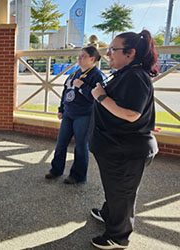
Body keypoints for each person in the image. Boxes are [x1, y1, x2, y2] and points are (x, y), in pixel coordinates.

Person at [89, 30, 159, 249]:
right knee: (114, 188)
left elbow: (131, 114)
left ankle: (118, 236)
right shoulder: (126, 73)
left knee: (122, 193)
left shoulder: (136, 77)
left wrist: (101, 97)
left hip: (127, 150)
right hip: (114, 147)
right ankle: (110, 214)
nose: (108, 53)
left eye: (113, 49)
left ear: (130, 53)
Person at [45, 46, 105, 184]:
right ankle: (56, 170)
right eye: (79, 55)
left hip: (84, 114)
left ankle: (78, 175)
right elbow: (66, 92)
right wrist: (61, 108)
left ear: (92, 59)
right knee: (61, 143)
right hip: (68, 113)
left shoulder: (97, 75)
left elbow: (98, 98)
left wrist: (83, 86)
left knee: (80, 145)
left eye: (83, 56)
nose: (79, 58)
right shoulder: (75, 73)